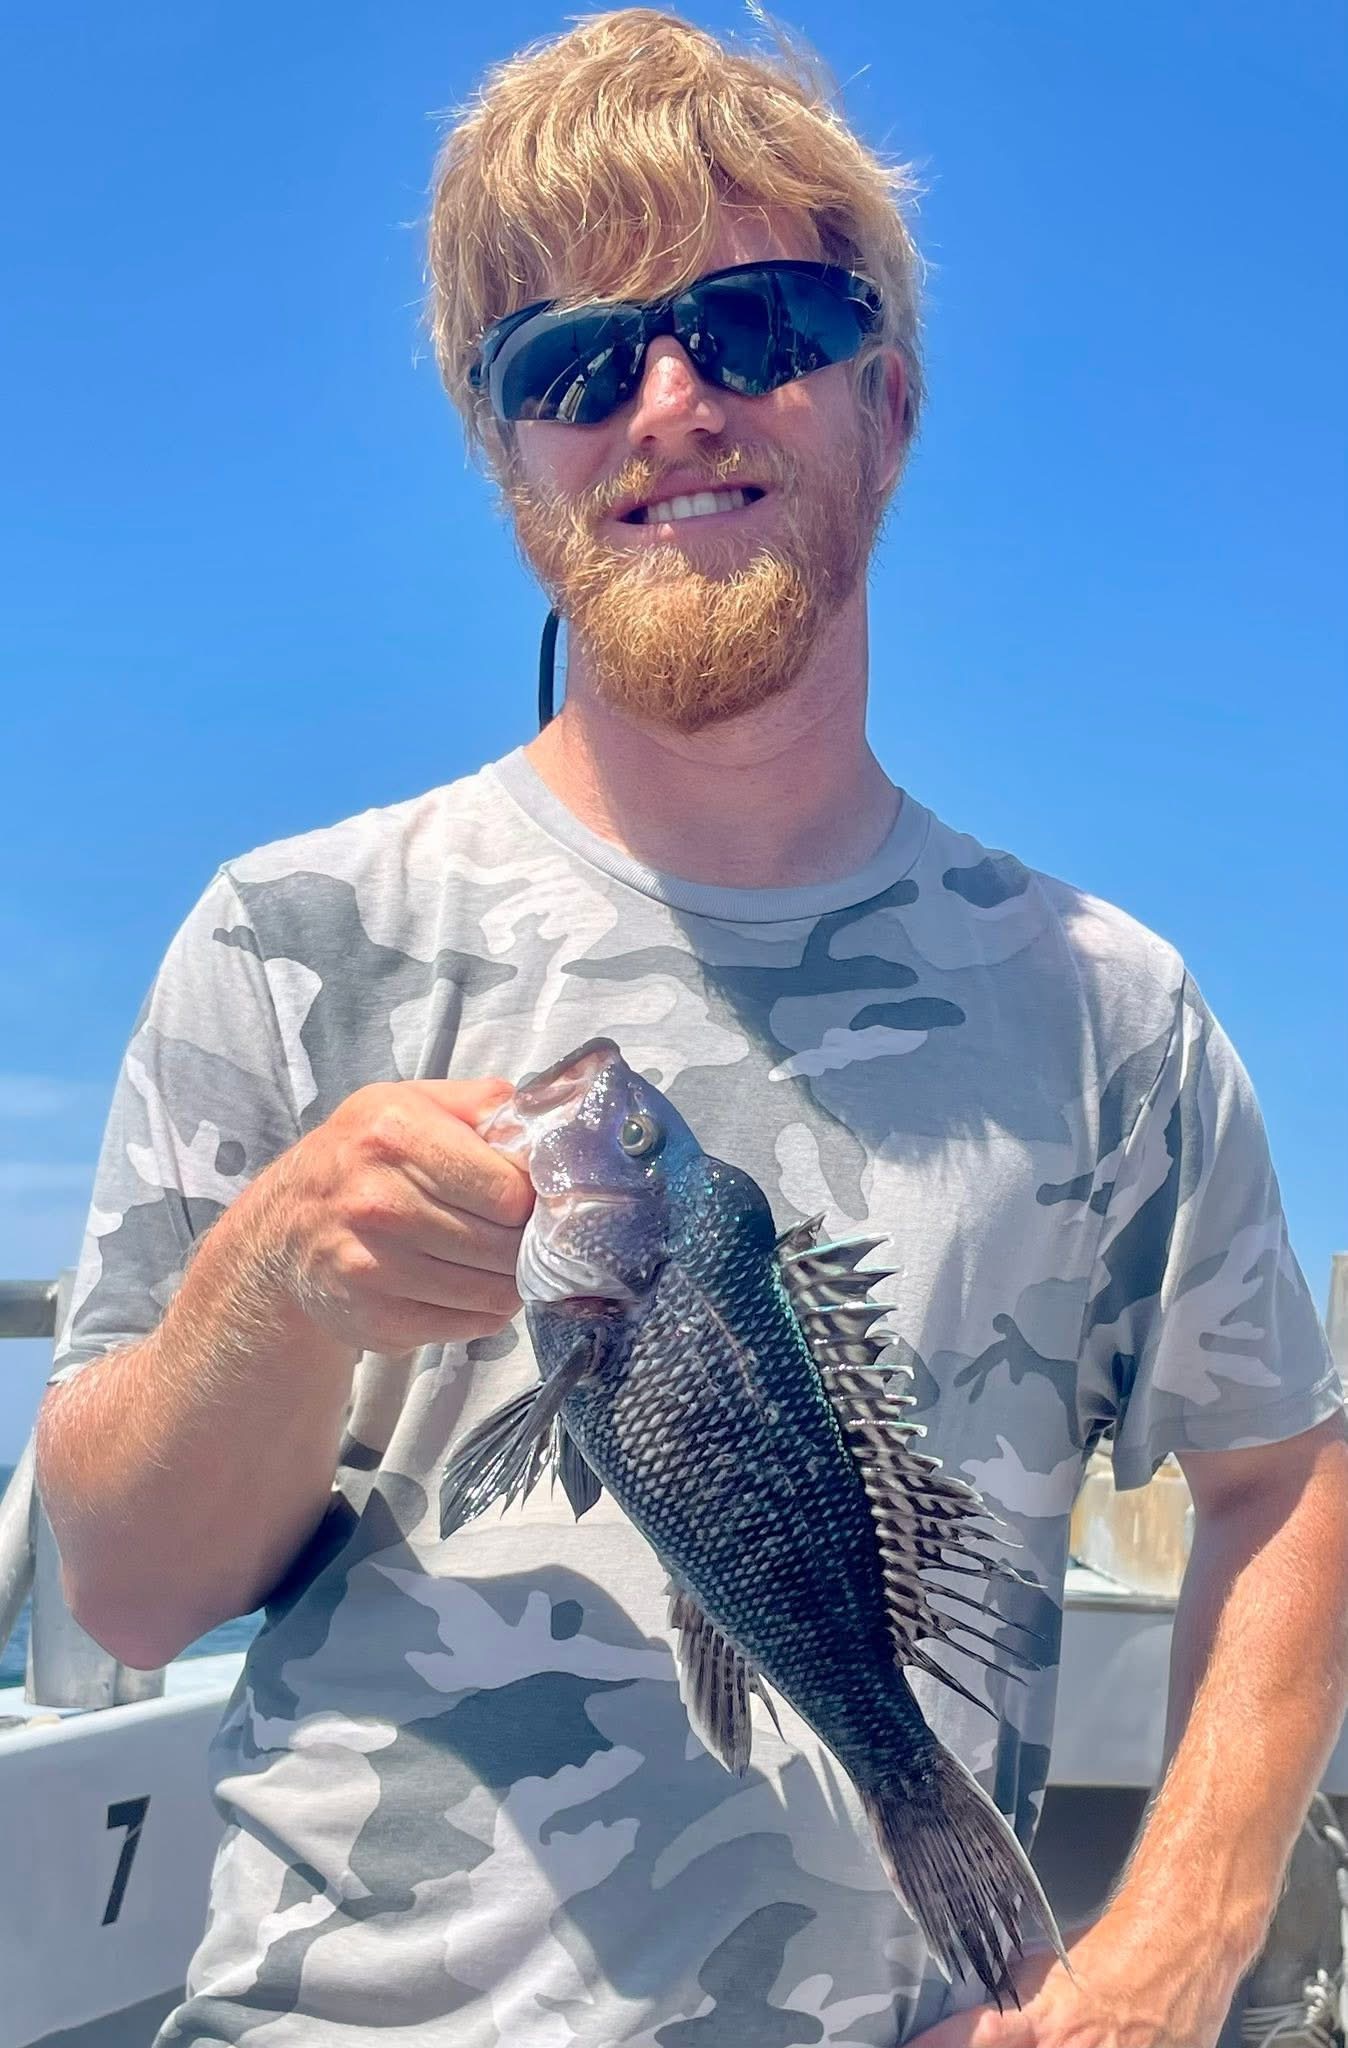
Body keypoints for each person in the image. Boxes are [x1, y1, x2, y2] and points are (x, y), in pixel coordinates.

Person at [34, 11, 1347, 2046]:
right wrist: (275, 1284)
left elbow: (1282, 1479)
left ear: (886, 404)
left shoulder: (1110, 1009)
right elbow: (122, 1597)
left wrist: (1175, 1947)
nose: (667, 403)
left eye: (756, 325)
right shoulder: (288, 938)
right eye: (569, 364)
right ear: (509, 457)